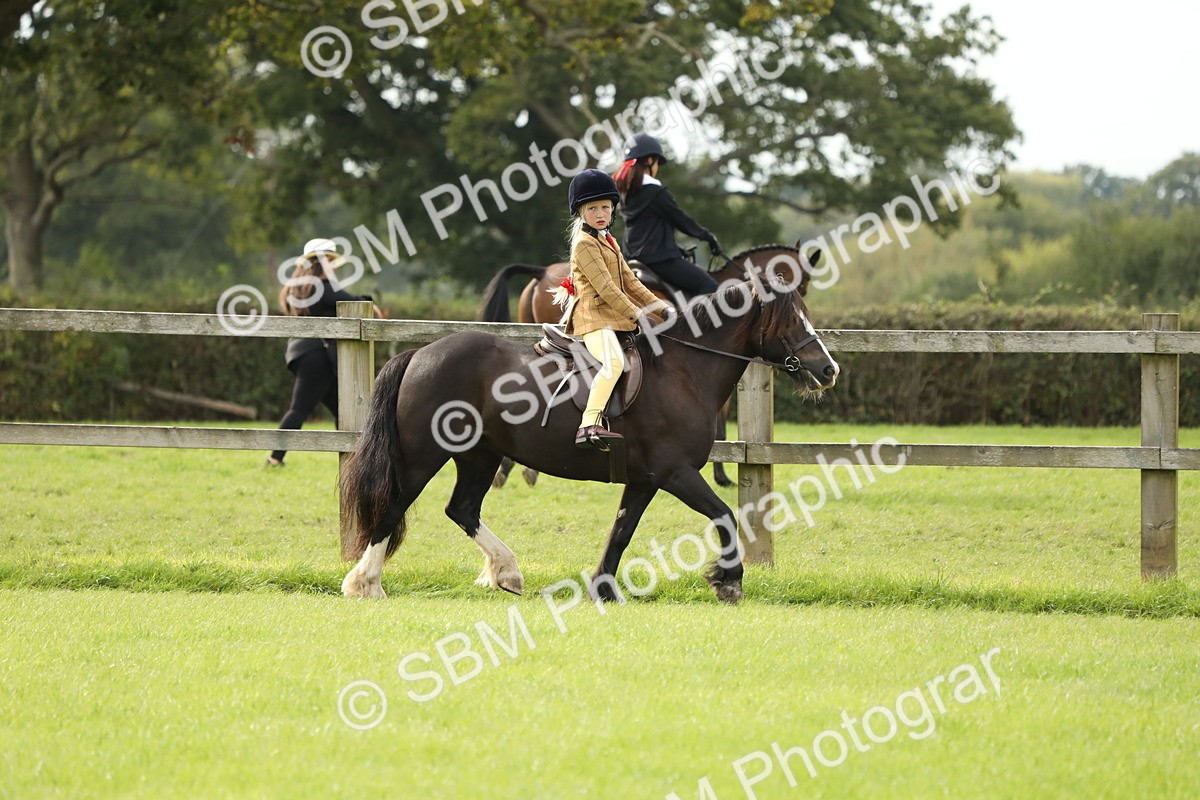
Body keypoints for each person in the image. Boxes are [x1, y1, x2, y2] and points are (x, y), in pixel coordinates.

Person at [560, 169, 671, 449]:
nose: (600, 213)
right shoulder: (584, 244)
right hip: (593, 319)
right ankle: (588, 424)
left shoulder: (608, 240)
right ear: (581, 212)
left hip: (612, 317)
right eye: (593, 208)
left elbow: (630, 282)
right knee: (614, 363)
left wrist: (659, 307)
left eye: (605, 207)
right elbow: (607, 288)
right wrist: (639, 315)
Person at [266, 238, 378, 467]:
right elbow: (353, 303)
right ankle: (274, 458)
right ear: (320, 262)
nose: (332, 266)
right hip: (317, 354)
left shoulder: (297, 288)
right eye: (329, 260)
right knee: (300, 409)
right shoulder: (322, 286)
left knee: (343, 409)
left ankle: (353, 460)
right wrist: (370, 303)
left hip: (300, 352)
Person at [612, 132, 723, 301]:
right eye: (657, 163)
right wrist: (708, 237)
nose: (657, 168)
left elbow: (649, 228)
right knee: (710, 287)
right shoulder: (655, 192)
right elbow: (680, 219)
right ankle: (695, 327)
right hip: (659, 260)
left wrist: (676, 249)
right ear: (649, 160)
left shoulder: (626, 194)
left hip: (632, 257)